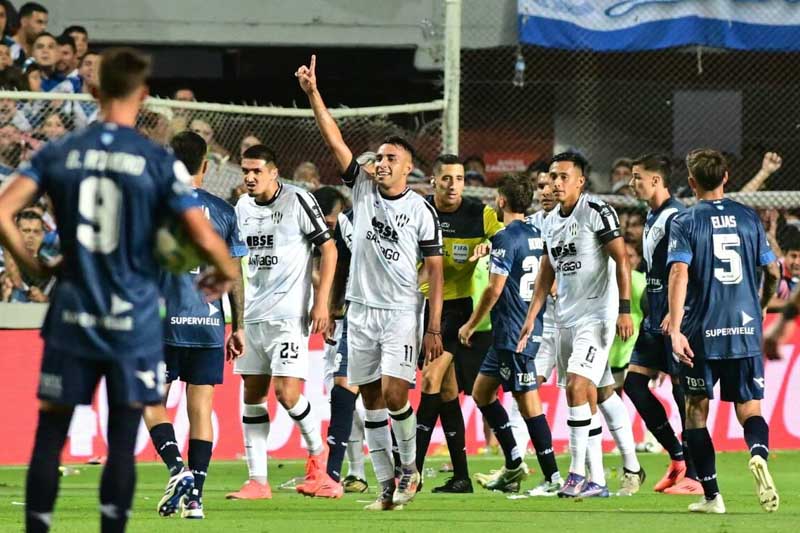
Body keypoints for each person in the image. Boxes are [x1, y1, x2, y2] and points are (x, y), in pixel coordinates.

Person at [0, 47, 236, 533]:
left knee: (49, 436)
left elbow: (3, 211)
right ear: (144, 95)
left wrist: (36, 268)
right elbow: (206, 240)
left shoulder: (59, 151)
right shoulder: (155, 160)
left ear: (91, 90)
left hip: (71, 311)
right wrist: (217, 274)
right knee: (125, 431)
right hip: (133, 319)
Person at [297, 54, 444, 511]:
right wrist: (313, 94)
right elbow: (335, 138)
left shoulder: (421, 210)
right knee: (371, 401)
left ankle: (409, 467)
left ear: (407, 169)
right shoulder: (360, 187)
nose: (380, 164)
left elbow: (434, 271)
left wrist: (433, 326)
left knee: (397, 394)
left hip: (401, 312)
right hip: (359, 312)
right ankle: (386, 486)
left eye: (390, 159)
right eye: (378, 158)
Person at [517, 151, 640, 498]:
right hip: (567, 318)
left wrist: (624, 310)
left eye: (563, 177)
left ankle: (575, 474)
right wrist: (532, 316)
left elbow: (621, 259)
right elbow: (547, 269)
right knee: (598, 393)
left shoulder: (596, 211)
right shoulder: (550, 219)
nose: (556, 183)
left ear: (580, 181)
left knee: (576, 387)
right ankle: (616, 472)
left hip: (597, 316)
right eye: (552, 177)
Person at [668, 148, 780, 514]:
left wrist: (675, 328)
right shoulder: (749, 218)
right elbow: (775, 272)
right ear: (726, 178)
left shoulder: (685, 221)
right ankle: (758, 453)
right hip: (745, 329)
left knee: (695, 411)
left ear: (691, 182)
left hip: (702, 332)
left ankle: (712, 497)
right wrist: (761, 306)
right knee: (750, 408)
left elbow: (679, 272)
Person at [142, 131, 247, 519]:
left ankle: (177, 469)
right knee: (201, 407)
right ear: (205, 165)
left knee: (150, 399)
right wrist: (238, 326)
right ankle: (196, 499)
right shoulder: (224, 210)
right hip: (209, 322)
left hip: (164, 321)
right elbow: (233, 274)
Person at [226, 143, 340, 500]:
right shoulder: (241, 207)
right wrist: (237, 323)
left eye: (257, 170)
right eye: (246, 170)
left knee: (287, 394)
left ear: (274, 172)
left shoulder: (299, 200)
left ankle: (318, 457)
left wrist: (322, 303)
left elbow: (329, 248)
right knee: (253, 395)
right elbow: (236, 265)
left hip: (290, 316)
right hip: (254, 317)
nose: (250, 177)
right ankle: (258, 480)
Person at [459, 173, 562, 494]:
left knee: (529, 403)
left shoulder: (505, 237)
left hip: (514, 333)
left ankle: (553, 476)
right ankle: (514, 463)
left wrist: (471, 324)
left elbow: (493, 289)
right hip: (517, 329)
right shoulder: (537, 232)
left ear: (500, 201)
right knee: (482, 393)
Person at [413, 153, 502, 494]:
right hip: (418, 307)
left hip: (456, 310)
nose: (453, 185)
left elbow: (512, 234)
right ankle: (462, 477)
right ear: (433, 181)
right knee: (447, 390)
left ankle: (413, 470)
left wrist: (492, 245)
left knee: (431, 380)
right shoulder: (419, 211)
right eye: (447, 178)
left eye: (460, 178)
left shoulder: (480, 215)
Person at [623, 153, 703, 494]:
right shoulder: (652, 214)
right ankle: (677, 455)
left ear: (656, 180)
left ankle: (697, 476)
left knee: (683, 390)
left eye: (637, 176)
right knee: (634, 385)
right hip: (653, 314)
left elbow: (684, 270)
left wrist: (678, 311)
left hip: (674, 316)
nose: (631, 182)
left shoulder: (677, 217)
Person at [10, 2, 47, 67]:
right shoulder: (7, 46)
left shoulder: (42, 51)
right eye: (39, 22)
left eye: (45, 23)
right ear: (23, 22)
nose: (43, 27)